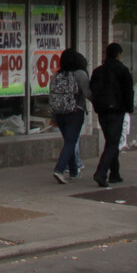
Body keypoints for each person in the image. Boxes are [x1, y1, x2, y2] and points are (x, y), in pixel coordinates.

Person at [89, 42, 135, 187]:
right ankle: (101, 173)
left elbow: (92, 91)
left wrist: (97, 105)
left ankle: (114, 173)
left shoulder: (98, 71)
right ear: (118, 54)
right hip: (117, 110)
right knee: (113, 143)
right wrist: (129, 108)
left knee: (111, 141)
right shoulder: (122, 70)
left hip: (102, 110)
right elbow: (128, 91)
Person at [48, 48, 91, 184]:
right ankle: (59, 169)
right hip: (74, 113)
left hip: (59, 113)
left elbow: (52, 96)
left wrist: (53, 117)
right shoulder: (80, 74)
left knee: (69, 141)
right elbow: (88, 93)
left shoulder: (57, 76)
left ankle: (74, 172)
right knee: (71, 141)